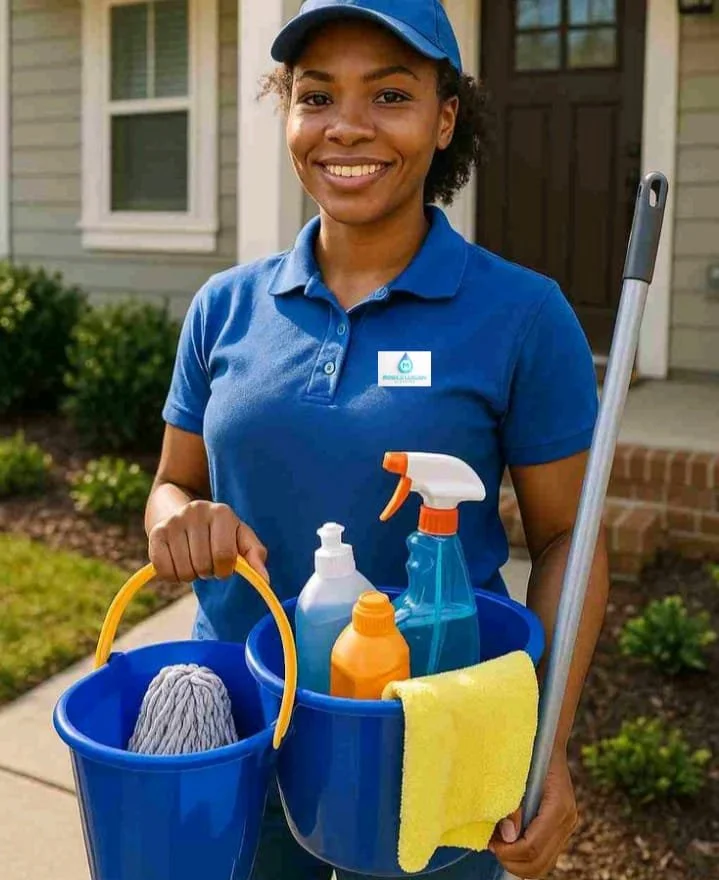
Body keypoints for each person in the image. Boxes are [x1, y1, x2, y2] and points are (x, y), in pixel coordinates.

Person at [145, 1, 610, 878]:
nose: (346, 127)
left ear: (444, 120)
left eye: (390, 94)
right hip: (236, 737)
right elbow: (170, 486)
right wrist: (178, 518)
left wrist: (538, 734)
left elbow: (567, 543)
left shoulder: (521, 314)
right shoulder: (224, 308)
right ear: (287, 114)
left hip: (431, 741)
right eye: (316, 96)